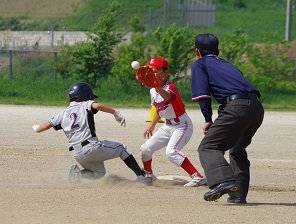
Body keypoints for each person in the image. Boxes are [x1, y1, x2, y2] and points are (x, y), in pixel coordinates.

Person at [191, 34, 264, 203]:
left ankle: (223, 181)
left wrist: (208, 119)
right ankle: (237, 195)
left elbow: (202, 95)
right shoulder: (227, 64)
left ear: (197, 52)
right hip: (256, 108)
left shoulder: (200, 64)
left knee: (209, 147)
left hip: (237, 107)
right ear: (218, 51)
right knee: (237, 150)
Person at [32, 82, 152, 184]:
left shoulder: (62, 114)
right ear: (85, 96)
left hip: (77, 153)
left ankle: (78, 175)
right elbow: (97, 105)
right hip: (90, 147)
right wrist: (115, 112)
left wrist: (37, 128)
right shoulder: (85, 104)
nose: (91, 99)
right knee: (121, 147)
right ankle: (142, 175)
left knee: (99, 173)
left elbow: (45, 126)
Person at [140, 56, 207, 187]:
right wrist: (152, 124)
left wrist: (157, 86)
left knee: (171, 152)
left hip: (182, 125)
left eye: (156, 70)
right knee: (145, 149)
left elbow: (168, 97)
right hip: (167, 126)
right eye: (150, 70)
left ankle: (198, 177)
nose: (152, 73)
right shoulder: (153, 90)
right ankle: (148, 175)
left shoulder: (170, 87)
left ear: (165, 72)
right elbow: (160, 108)